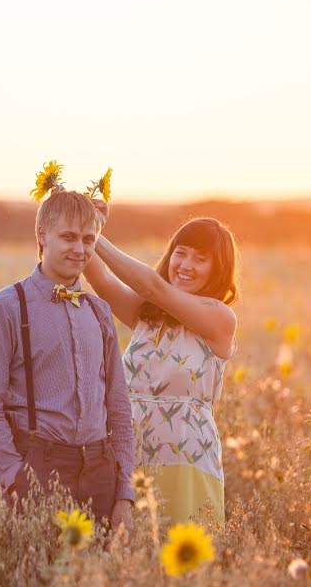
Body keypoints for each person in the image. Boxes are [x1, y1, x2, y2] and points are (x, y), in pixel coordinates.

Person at [0, 189, 135, 528]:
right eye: (69, 237)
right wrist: (16, 480)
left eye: (89, 239)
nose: (80, 249)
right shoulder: (5, 308)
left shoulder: (100, 312)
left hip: (100, 471)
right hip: (38, 468)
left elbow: (118, 408)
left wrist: (124, 490)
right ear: (42, 234)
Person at [83, 206, 239, 526]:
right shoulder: (147, 316)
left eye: (200, 258)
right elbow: (99, 277)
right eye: (180, 253)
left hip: (187, 461)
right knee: (130, 561)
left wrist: (95, 233)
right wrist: (76, 223)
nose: (185, 265)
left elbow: (154, 287)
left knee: (183, 563)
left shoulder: (220, 318)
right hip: (129, 457)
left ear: (218, 268)